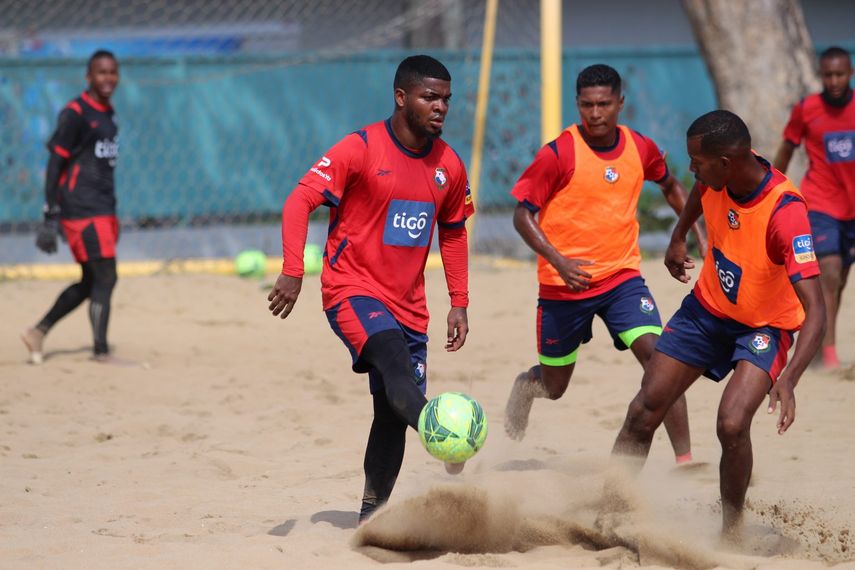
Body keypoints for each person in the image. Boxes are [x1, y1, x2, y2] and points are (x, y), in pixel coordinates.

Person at [267, 55, 475, 524]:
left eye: (445, 98)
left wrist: (459, 302)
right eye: (429, 97)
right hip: (352, 290)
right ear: (401, 98)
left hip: (412, 307)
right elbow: (300, 199)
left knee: (390, 413)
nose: (440, 107)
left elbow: (455, 232)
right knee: (394, 366)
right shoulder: (360, 149)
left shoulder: (450, 166)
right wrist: (292, 270)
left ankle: (372, 519)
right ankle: (444, 434)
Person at [612, 110, 825, 538]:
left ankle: (731, 531)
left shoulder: (784, 212)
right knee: (643, 409)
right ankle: (610, 510)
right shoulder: (719, 175)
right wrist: (678, 234)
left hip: (764, 327)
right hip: (707, 310)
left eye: (697, 161)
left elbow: (817, 310)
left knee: (731, 423)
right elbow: (699, 189)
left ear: (726, 162)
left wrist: (790, 378)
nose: (690, 168)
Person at [503, 64, 704, 465]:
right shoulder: (559, 153)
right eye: (587, 105)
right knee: (555, 386)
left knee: (660, 357)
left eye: (604, 104)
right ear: (577, 104)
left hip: (622, 278)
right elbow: (521, 215)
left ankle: (686, 459)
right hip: (565, 287)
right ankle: (526, 386)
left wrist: (693, 233)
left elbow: (670, 184)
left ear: (620, 103)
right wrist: (558, 261)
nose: (595, 114)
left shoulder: (640, 147)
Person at [21, 50, 121, 364]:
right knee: (106, 276)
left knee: (91, 281)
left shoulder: (107, 112)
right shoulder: (75, 113)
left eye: (113, 72)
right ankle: (101, 352)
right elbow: (55, 164)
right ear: (88, 77)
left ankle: (38, 331)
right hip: (82, 208)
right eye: (101, 73)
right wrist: (51, 213)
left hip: (103, 207)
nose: (108, 79)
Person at [773, 46, 855, 369]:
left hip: (852, 209)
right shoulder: (807, 110)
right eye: (827, 75)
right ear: (820, 76)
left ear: (849, 74)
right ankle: (829, 354)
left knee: (841, 278)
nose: (833, 81)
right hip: (820, 202)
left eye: (839, 74)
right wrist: (771, 187)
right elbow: (787, 148)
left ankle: (822, 343)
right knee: (830, 272)